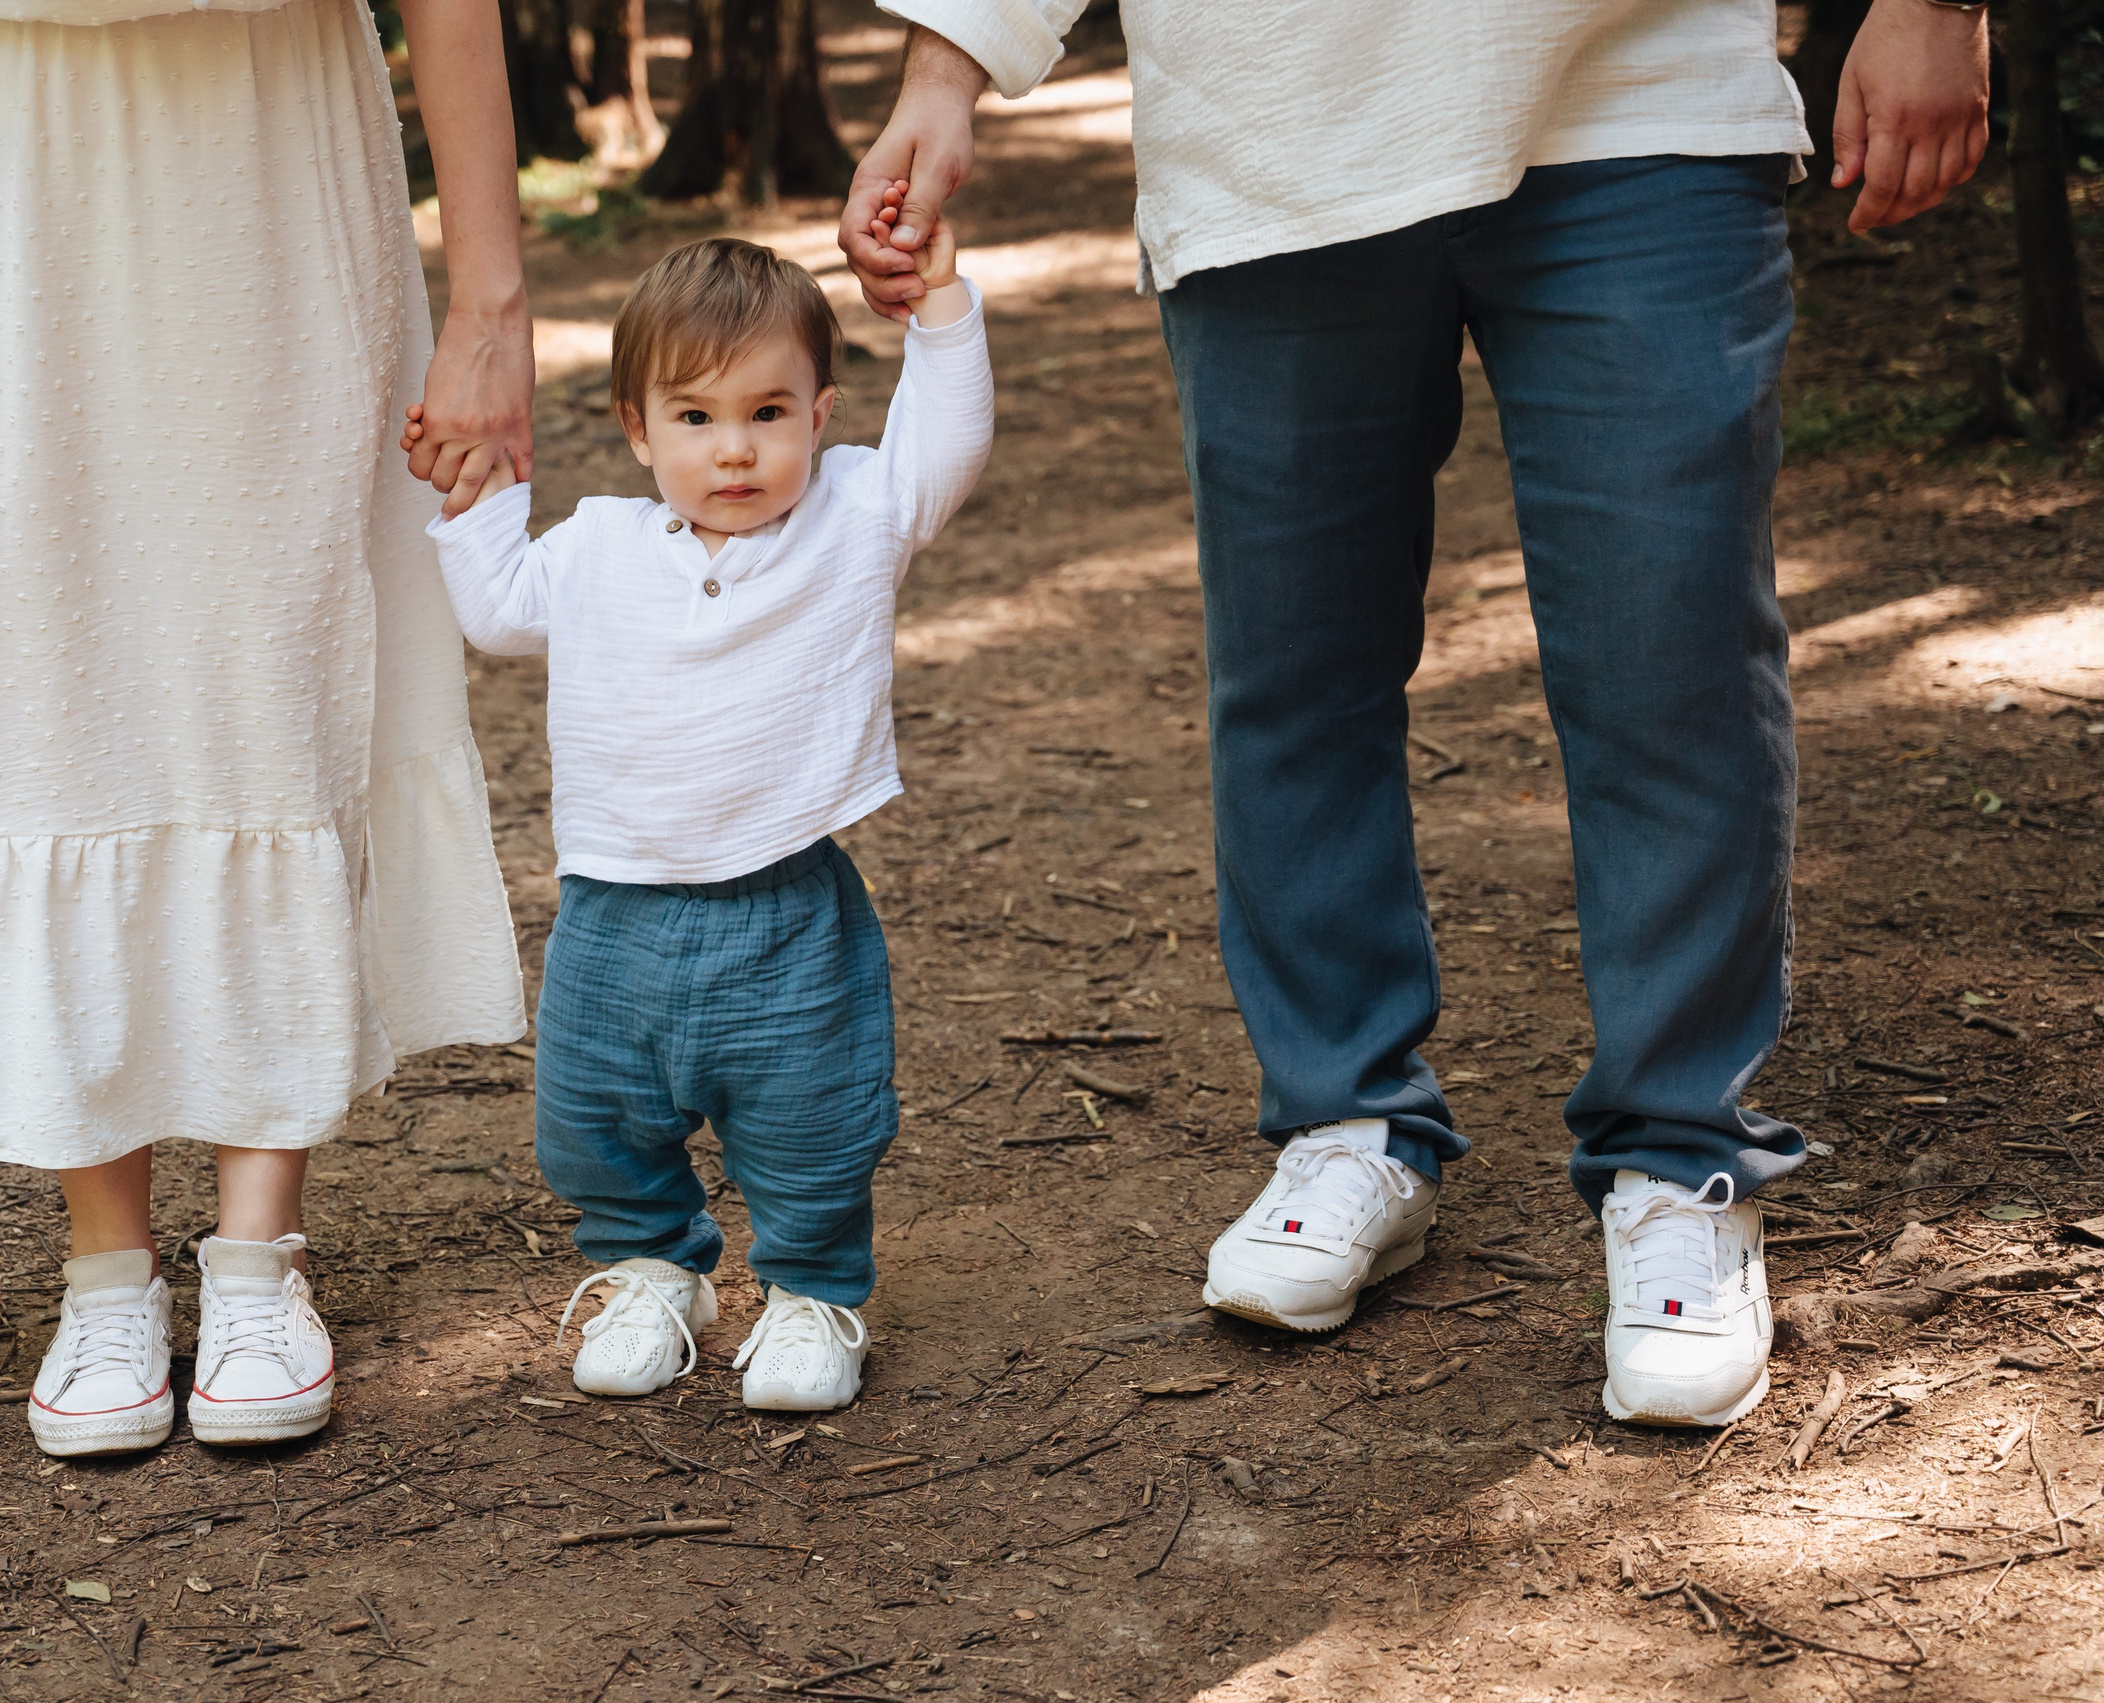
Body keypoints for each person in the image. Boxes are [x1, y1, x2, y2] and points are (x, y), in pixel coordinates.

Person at [840, 0, 1989, 1427]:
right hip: (1274, 129)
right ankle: (1348, 1118)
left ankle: (1680, 1148)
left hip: (1643, 99)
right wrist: (945, 68)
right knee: (1296, 668)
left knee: (1673, 654)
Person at [0, 0, 533, 1455]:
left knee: (273, 658)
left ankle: (261, 1250)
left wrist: (495, 307)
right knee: (32, 682)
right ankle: (105, 1259)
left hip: (262, 131)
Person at [414, 224, 991, 1410]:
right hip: (610, 909)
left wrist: (941, 312)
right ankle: (651, 1272)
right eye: (694, 418)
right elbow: (499, 611)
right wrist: (475, 494)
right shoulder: (599, 547)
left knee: (811, 1123)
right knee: (592, 1119)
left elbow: (944, 449)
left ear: (821, 414)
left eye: (768, 413)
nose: (735, 449)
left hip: (785, 907)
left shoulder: (854, 513)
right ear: (637, 428)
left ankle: (813, 1293)